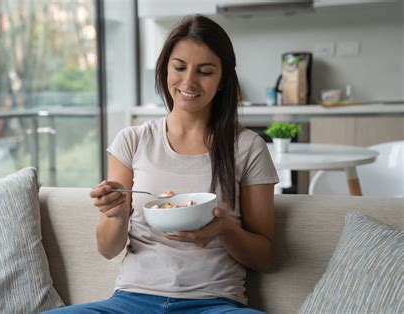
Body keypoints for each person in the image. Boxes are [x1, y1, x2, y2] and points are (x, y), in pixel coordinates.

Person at [45, 14, 278, 313]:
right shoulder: (132, 141)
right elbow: (107, 248)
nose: (188, 81)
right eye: (179, 67)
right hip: (131, 301)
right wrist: (116, 214)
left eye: (205, 72)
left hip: (214, 304)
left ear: (222, 81)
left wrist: (224, 229)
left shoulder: (248, 147)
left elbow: (265, 258)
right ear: (164, 68)